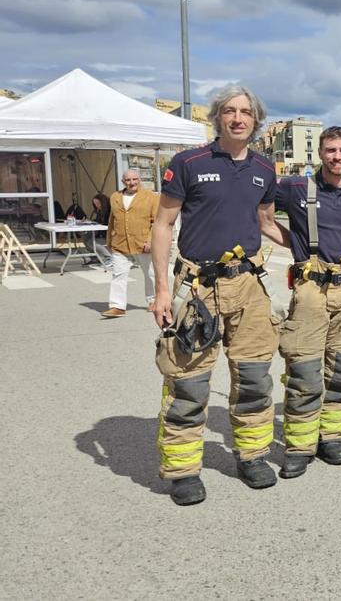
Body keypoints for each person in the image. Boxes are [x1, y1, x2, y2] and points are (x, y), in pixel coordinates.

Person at [150, 85, 285, 506]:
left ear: (256, 120)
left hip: (248, 284)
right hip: (198, 287)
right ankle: (183, 470)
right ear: (218, 117)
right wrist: (160, 291)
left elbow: (265, 221)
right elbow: (162, 224)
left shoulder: (265, 168)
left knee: (255, 378)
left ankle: (252, 455)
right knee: (188, 382)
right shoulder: (188, 163)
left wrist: (313, 251)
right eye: (230, 111)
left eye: (246, 111)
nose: (239, 118)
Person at [271, 126, 341, 479]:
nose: (337, 157)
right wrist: (295, 243)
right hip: (310, 289)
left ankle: (331, 436)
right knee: (304, 370)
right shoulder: (294, 188)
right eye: (331, 150)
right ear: (320, 152)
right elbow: (258, 210)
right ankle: (300, 445)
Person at [101, 170, 158, 318]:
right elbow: (112, 220)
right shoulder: (115, 197)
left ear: (140, 180)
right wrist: (109, 241)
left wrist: (151, 241)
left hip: (143, 243)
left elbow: (156, 221)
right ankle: (117, 306)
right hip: (120, 243)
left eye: (134, 179)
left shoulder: (151, 197)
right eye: (128, 180)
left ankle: (153, 301)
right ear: (123, 182)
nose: (131, 182)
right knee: (118, 274)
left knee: (150, 274)